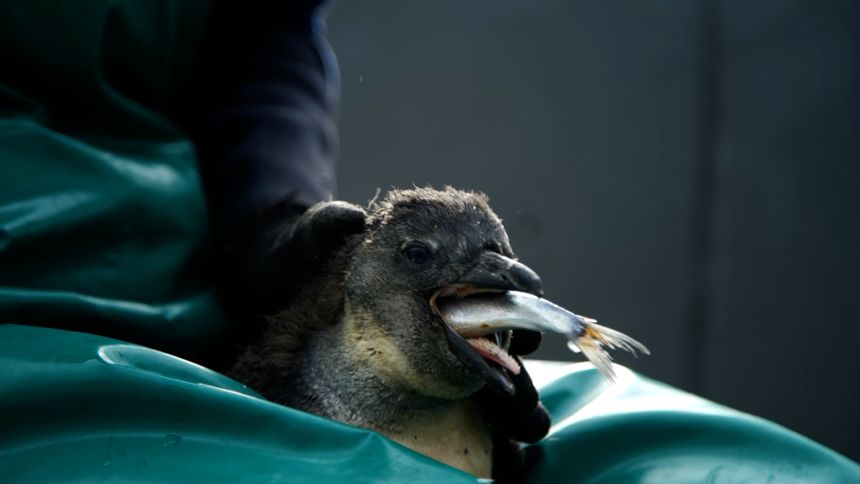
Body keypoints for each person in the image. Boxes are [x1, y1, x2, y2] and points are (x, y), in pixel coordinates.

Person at [0, 0, 547, 478]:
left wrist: (271, 224)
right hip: (19, 332)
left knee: (625, 448)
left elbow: (262, 29)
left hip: (204, 309)